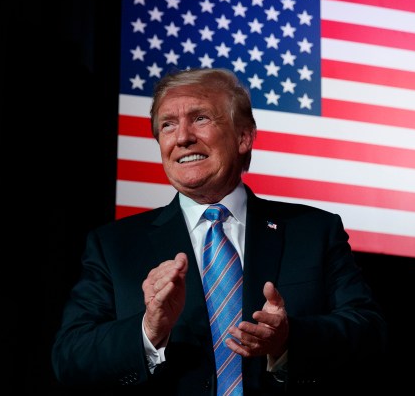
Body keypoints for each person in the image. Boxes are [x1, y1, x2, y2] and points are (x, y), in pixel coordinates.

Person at [51, 67, 387, 396]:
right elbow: (70, 357)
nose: (182, 137)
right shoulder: (114, 246)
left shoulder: (315, 232)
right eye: (168, 125)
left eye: (200, 118)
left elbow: (370, 333)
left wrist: (288, 340)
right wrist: (148, 331)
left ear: (243, 137)